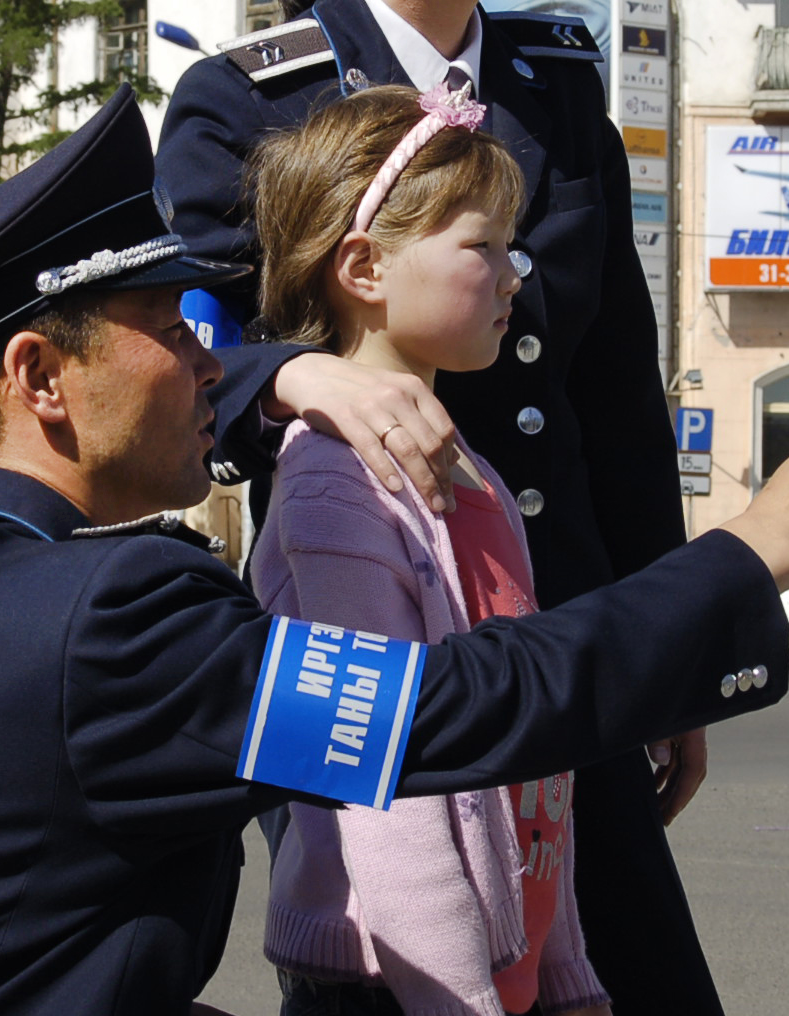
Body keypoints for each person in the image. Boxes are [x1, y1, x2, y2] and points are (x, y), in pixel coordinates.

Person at [0, 86, 789, 1016]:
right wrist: (759, 546)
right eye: (168, 325)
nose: (212, 357)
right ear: (41, 377)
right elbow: (435, 717)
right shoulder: (117, 619)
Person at [156, 0, 722, 1014]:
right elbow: (179, 358)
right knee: (382, 974)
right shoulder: (251, 101)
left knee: (627, 984)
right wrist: (297, 383)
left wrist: (667, 658)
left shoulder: (556, 87)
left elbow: (609, 405)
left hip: (563, 633)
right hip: (352, 636)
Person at [247, 83, 605, 1016]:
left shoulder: (469, 468)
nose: (515, 273)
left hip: (490, 972)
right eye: (481, 246)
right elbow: (369, 778)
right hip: (387, 979)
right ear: (364, 267)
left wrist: (563, 975)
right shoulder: (331, 481)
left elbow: (533, 762)